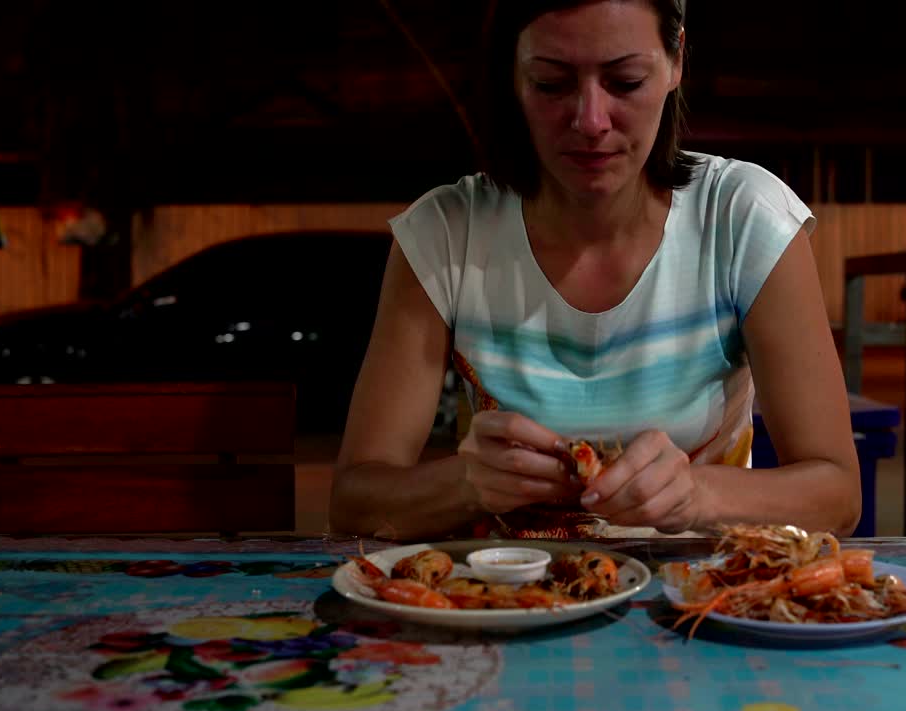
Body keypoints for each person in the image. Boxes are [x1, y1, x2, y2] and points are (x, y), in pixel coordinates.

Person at [330, 0, 860, 541]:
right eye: (551, 84)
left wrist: (698, 494)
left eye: (626, 82)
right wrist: (466, 483)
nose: (590, 121)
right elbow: (354, 503)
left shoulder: (742, 218)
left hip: (701, 583)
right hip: (510, 584)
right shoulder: (446, 235)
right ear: (512, 76)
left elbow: (837, 496)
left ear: (676, 60)